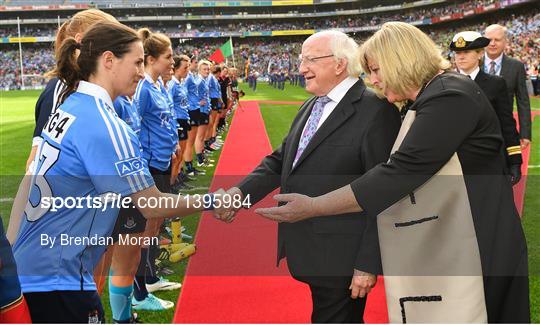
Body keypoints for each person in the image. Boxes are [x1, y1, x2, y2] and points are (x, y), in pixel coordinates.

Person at [244, 22, 530, 323]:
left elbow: (398, 173)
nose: (374, 80)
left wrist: (314, 206)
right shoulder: (438, 93)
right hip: (460, 238)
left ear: (400, 61)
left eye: (377, 70)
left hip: (480, 243)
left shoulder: (449, 96)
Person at [12, 22, 227, 323]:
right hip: (59, 277)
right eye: (137, 62)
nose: (141, 71)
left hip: (34, 267)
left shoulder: (70, 104)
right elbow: (151, 204)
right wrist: (212, 200)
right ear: (109, 60)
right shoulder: (103, 122)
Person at [217, 30, 401, 323]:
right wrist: (239, 194)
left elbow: (385, 192)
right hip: (314, 248)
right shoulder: (313, 104)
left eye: (310, 60)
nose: (301, 67)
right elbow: (281, 161)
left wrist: (367, 262)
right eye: (301, 60)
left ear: (340, 64)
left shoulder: (376, 111)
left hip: (343, 254)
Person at [6, 8, 117, 244]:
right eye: (109, 38)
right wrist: (14, 236)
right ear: (81, 41)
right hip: (60, 222)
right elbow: (35, 165)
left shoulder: (93, 89)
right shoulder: (63, 88)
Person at [131, 27, 180, 311]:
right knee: (146, 226)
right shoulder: (144, 90)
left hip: (161, 161)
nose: (171, 62)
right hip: (149, 165)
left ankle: (150, 276)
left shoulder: (158, 86)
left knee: (156, 223)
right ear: (151, 59)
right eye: (168, 56)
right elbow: (136, 127)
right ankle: (141, 286)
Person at [450, 31, 522, 185]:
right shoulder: (444, 84)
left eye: (466, 52)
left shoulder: (496, 84)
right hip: (457, 164)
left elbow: (507, 124)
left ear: (480, 54)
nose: (461, 57)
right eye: (457, 53)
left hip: (490, 161)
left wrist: (515, 161)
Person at [484, 24, 532, 149]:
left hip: (505, 131)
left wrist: (525, 133)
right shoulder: (473, 63)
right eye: (489, 40)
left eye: (497, 40)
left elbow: (523, 101)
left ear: (505, 42)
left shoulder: (516, 67)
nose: (492, 43)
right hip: (476, 130)